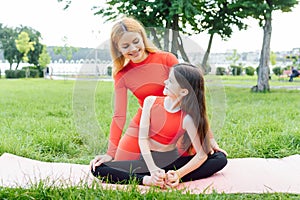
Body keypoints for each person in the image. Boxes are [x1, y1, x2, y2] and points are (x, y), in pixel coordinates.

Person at [92, 16, 224, 165]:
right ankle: (151, 172)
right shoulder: (122, 75)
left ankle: (169, 170)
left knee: (195, 157)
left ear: (143, 38)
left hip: (176, 119)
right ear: (118, 49)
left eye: (136, 42)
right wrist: (110, 153)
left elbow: (193, 97)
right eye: (126, 46)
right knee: (121, 161)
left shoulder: (167, 59)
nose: (133, 49)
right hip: (145, 119)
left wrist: (208, 137)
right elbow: (119, 116)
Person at [91, 63, 228, 188]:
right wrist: (152, 170)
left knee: (220, 159)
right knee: (98, 168)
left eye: (170, 81)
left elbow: (201, 155)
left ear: (183, 91)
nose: (165, 82)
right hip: (147, 161)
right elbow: (143, 139)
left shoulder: (187, 119)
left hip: (172, 161)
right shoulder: (150, 102)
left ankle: (170, 178)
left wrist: (178, 174)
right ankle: (147, 180)